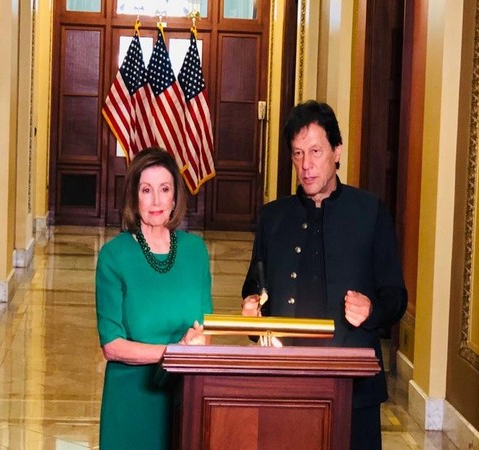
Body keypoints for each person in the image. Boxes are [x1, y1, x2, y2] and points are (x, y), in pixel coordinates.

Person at [241, 100, 407, 450]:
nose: (306, 165)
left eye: (315, 151)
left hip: (354, 384)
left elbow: (396, 296)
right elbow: (255, 285)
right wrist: (252, 311)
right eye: (298, 154)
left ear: (337, 152)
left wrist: (372, 310)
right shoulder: (273, 218)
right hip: (286, 381)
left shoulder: (370, 212)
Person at [95, 147, 212, 450]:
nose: (157, 201)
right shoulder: (113, 256)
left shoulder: (195, 252)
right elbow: (112, 345)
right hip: (132, 402)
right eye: (146, 190)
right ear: (134, 197)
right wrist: (175, 351)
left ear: (176, 197)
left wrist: (195, 346)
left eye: (164, 189)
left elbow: (206, 329)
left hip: (184, 398)